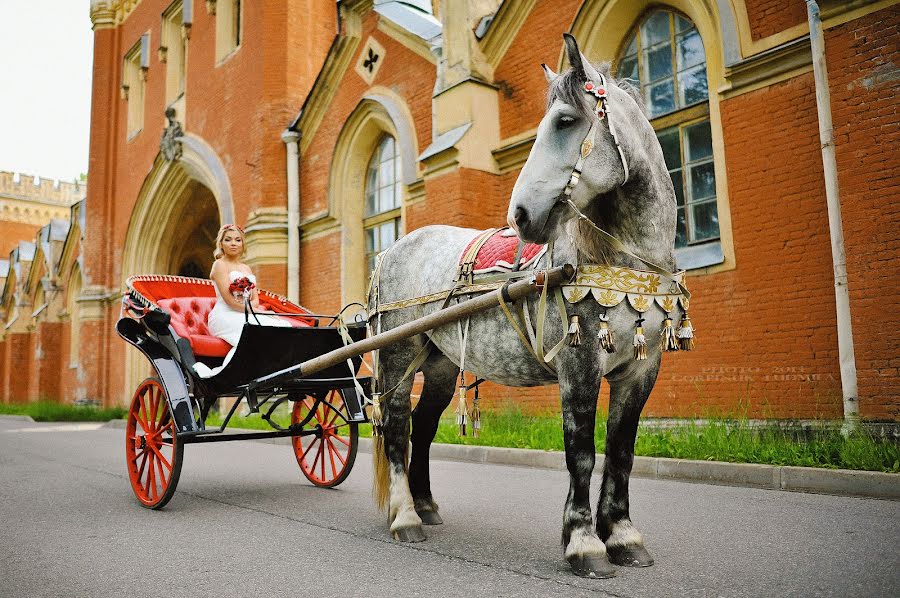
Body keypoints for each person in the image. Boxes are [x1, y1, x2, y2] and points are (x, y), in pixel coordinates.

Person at [193, 223, 290, 378]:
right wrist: (254, 310)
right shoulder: (219, 265)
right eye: (228, 240)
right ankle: (224, 376)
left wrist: (254, 310)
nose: (233, 243)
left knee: (282, 325)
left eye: (238, 240)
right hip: (224, 315)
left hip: (246, 312)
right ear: (221, 244)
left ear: (243, 244)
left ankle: (271, 371)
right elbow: (230, 301)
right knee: (252, 331)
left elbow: (255, 300)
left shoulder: (246, 268)